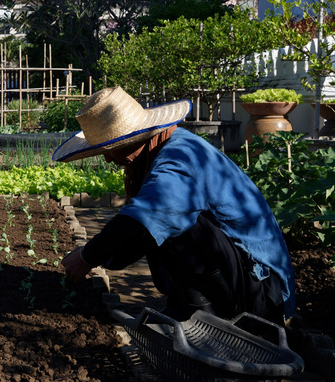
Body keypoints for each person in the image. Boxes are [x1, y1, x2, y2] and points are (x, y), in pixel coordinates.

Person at [54, 87, 295, 325]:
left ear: (136, 138)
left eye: (111, 149)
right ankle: (191, 310)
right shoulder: (165, 148)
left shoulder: (181, 156)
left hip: (261, 296)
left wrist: (88, 256)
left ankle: (210, 320)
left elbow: (146, 218)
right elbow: (134, 239)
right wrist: (102, 257)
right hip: (243, 280)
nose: (107, 159)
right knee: (155, 220)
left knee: (169, 217)